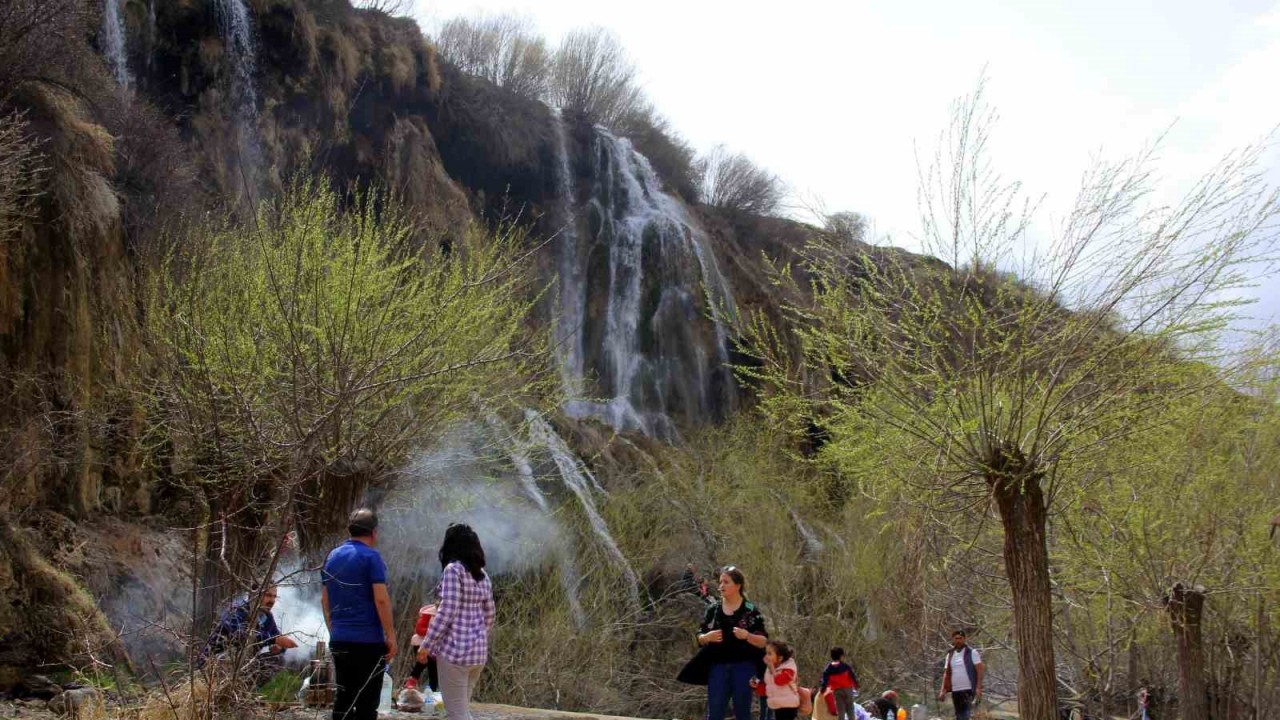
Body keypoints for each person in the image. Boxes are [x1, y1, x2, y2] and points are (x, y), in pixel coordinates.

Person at [322, 508, 396, 720]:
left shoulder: (332, 557)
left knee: (343, 700)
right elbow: (381, 599)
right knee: (367, 704)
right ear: (374, 532)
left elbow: (324, 599)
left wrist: (333, 629)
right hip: (368, 642)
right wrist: (390, 635)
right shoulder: (372, 557)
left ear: (350, 530)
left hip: (340, 640)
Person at [422, 524, 495, 720]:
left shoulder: (453, 570)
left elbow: (447, 610)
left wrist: (426, 645)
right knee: (462, 710)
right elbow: (490, 614)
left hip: (455, 654)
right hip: (477, 655)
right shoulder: (483, 575)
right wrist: (478, 637)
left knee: (457, 714)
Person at [696, 566, 769, 720]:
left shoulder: (750, 610)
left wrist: (747, 635)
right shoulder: (713, 609)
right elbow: (699, 635)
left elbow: (763, 641)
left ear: (738, 585)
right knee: (715, 713)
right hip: (717, 667)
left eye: (726, 582)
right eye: (720, 582)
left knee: (742, 712)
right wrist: (706, 637)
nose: (721, 586)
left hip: (743, 668)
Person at [201, 584, 299, 681]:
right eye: (268, 595)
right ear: (254, 595)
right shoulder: (237, 610)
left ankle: (245, 691)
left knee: (277, 659)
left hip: (242, 663)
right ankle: (225, 689)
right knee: (233, 654)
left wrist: (278, 647)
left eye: (274, 596)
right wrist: (273, 640)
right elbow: (240, 636)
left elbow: (277, 638)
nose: (272, 601)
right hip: (215, 661)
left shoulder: (267, 617)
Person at [936, 629, 983, 720]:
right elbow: (946, 674)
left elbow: (980, 671)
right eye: (956, 638)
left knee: (966, 715)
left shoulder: (972, 653)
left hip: (969, 689)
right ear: (953, 639)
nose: (958, 640)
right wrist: (943, 690)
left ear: (964, 639)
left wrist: (978, 687)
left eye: (960, 638)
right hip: (956, 690)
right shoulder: (950, 655)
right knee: (959, 715)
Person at [752, 640, 800, 720]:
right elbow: (765, 691)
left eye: (770, 654)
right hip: (778, 706)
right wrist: (755, 686)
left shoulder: (789, 668)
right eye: (766, 653)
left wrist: (772, 668)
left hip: (789, 705)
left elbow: (779, 681)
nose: (766, 656)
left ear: (780, 658)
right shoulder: (769, 670)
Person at [404, 604, 439, 692]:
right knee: (423, 662)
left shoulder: (449, 613)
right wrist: (435, 632)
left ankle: (432, 692)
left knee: (434, 669)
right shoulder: (429, 613)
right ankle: (411, 682)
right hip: (421, 642)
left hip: (436, 645)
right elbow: (419, 629)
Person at [818, 647, 859, 720]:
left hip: (837, 690)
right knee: (850, 707)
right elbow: (852, 676)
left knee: (840, 709)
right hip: (848, 689)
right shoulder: (846, 666)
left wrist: (822, 690)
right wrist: (856, 685)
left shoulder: (828, 668)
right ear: (841, 656)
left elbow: (825, 681)